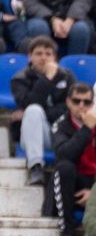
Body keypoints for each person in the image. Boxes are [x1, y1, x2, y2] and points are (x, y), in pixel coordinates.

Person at [51, 80, 96, 236]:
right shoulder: (60, 125)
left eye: (86, 102)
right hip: (71, 185)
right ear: (68, 102)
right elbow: (64, 155)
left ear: (92, 104)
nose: (82, 106)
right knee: (64, 167)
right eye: (76, 101)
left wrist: (95, 191)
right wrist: (86, 129)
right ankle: (66, 229)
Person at [15, 37, 78, 188]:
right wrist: (47, 79)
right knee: (33, 110)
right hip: (32, 136)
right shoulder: (19, 79)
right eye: (39, 53)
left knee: (34, 111)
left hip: (61, 134)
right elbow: (30, 103)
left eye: (48, 54)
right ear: (30, 56)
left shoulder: (67, 76)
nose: (44, 58)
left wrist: (46, 112)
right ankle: (36, 167)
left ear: (54, 58)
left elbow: (72, 108)